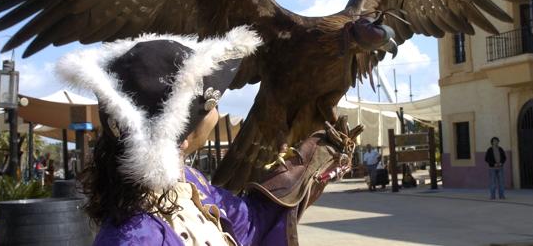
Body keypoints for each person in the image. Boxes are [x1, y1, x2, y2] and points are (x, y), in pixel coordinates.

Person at [56, 27, 358, 246]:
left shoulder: (190, 185)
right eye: (210, 105)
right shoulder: (133, 239)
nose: (216, 110)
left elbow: (247, 224)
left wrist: (302, 178)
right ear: (182, 137)